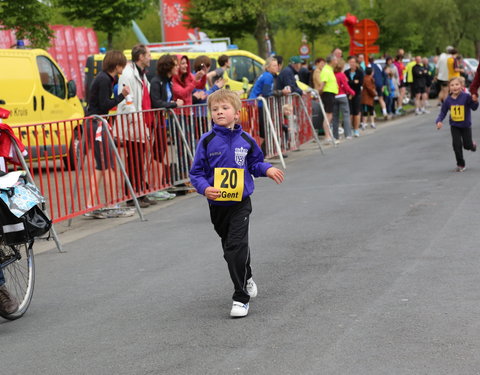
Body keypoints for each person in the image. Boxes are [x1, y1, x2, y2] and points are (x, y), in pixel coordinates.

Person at [189, 89, 284, 318]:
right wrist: (205, 188)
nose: (219, 112)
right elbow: (196, 173)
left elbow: (255, 164)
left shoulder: (246, 140)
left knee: (236, 246)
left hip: (241, 202)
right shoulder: (207, 140)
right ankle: (247, 274)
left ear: (237, 113)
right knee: (230, 250)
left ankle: (240, 298)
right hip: (218, 205)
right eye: (215, 109)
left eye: (224, 108)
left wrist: (267, 169)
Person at [85, 50, 131, 218]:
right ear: (117, 65)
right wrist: (122, 96)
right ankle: (108, 202)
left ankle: (94, 203)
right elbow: (105, 104)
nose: (123, 68)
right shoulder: (105, 79)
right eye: (122, 65)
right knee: (106, 162)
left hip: (97, 123)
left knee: (102, 163)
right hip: (97, 123)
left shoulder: (105, 78)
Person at [116, 44, 157, 208]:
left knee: (139, 159)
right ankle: (132, 195)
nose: (150, 57)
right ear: (140, 56)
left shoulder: (141, 74)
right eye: (148, 54)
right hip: (133, 122)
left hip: (140, 120)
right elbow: (127, 98)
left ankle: (139, 192)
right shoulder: (128, 73)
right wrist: (134, 117)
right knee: (134, 159)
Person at [149, 54, 184, 200]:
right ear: (168, 66)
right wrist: (174, 104)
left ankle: (160, 185)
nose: (178, 67)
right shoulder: (157, 82)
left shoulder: (168, 82)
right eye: (175, 65)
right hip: (157, 123)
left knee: (162, 153)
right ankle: (155, 187)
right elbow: (156, 102)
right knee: (157, 154)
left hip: (164, 123)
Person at [436, 77, 479, 172]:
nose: (454, 87)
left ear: (461, 86)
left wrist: (475, 101)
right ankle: (460, 164)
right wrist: (439, 121)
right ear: (449, 87)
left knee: (467, 146)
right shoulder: (448, 100)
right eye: (452, 85)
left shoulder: (466, 97)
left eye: (457, 84)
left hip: (466, 126)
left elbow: (474, 107)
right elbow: (443, 112)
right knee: (456, 145)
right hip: (454, 126)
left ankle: (472, 145)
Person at [248, 57, 290, 151]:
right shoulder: (268, 76)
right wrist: (281, 92)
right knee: (263, 131)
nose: (277, 67)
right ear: (268, 67)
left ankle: (259, 152)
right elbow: (267, 93)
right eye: (274, 65)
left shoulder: (266, 75)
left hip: (255, 104)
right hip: (258, 105)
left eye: (276, 65)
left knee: (263, 131)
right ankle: (256, 152)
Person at [332, 59, 355, 140]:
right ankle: (348, 134)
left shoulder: (332, 75)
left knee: (335, 117)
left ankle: (335, 136)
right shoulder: (341, 75)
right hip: (342, 96)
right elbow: (345, 86)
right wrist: (352, 92)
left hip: (334, 96)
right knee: (346, 115)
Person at [345, 55, 364, 137]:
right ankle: (349, 130)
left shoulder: (360, 72)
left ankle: (356, 129)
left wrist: (351, 82)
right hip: (348, 94)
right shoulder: (346, 72)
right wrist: (353, 82)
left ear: (356, 63)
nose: (352, 64)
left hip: (357, 94)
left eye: (353, 62)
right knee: (349, 112)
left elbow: (360, 83)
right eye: (350, 62)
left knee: (356, 112)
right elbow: (345, 83)